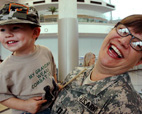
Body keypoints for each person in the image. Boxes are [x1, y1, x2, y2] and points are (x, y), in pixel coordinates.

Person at [51, 14, 142, 114]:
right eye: (123, 30)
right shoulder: (77, 73)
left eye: (138, 44)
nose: (123, 41)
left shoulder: (127, 105)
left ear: (139, 61)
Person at [0, 2, 60, 114]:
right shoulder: (4, 69)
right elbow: (2, 96)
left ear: (35, 32)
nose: (7, 34)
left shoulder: (45, 51)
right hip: (27, 112)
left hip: (53, 105)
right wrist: (25, 105)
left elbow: (52, 73)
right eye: (2, 30)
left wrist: (56, 86)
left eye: (15, 27)